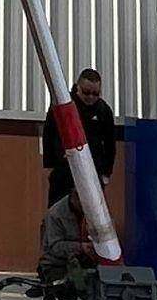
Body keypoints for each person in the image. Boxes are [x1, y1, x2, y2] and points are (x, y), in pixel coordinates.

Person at [41, 68, 117, 205]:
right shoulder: (63, 105)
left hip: (93, 171)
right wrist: (50, 164)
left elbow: (110, 143)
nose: (91, 98)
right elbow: (48, 134)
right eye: (86, 92)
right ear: (77, 88)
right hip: (64, 169)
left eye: (95, 94)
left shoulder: (103, 111)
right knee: (58, 209)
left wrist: (106, 173)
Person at [37, 186, 98, 300]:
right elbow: (55, 247)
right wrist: (80, 247)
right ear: (75, 198)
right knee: (67, 295)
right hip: (57, 263)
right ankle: (50, 289)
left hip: (83, 260)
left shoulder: (92, 210)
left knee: (96, 286)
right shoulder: (56, 214)